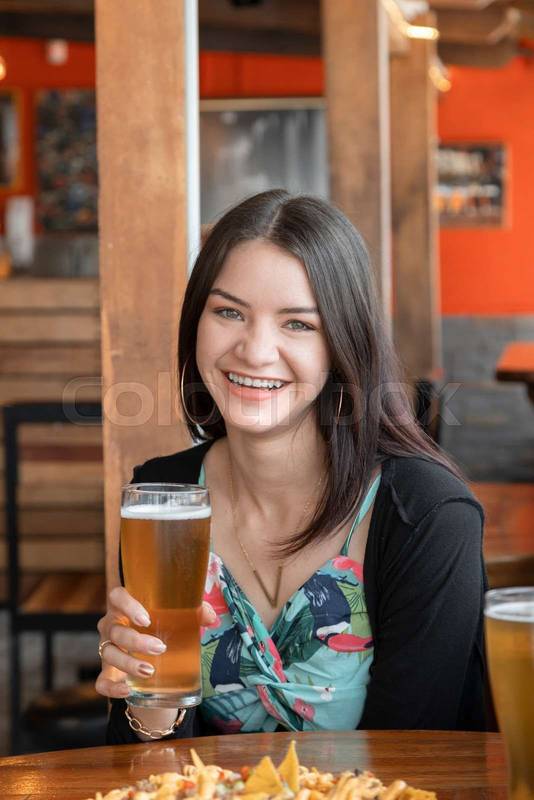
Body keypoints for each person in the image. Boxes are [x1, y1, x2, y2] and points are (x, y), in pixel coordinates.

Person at [96, 190, 487, 743]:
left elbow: (420, 762)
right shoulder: (163, 499)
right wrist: (149, 699)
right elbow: (143, 766)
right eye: (228, 312)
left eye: (298, 324)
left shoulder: (426, 514)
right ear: (196, 323)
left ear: (343, 343)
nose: (255, 351)